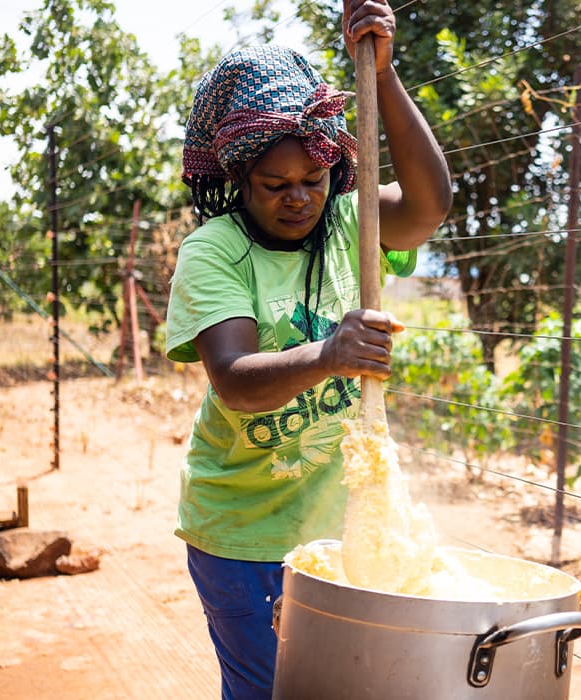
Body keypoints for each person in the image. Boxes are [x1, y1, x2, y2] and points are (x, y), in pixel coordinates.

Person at [163, 0, 452, 696]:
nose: (298, 200)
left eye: (313, 181)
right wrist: (329, 355)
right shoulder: (215, 253)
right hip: (239, 532)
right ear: (238, 181)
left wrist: (382, 77)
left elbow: (428, 204)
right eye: (275, 186)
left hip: (340, 524)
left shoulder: (350, 222)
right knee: (275, 689)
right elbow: (233, 378)